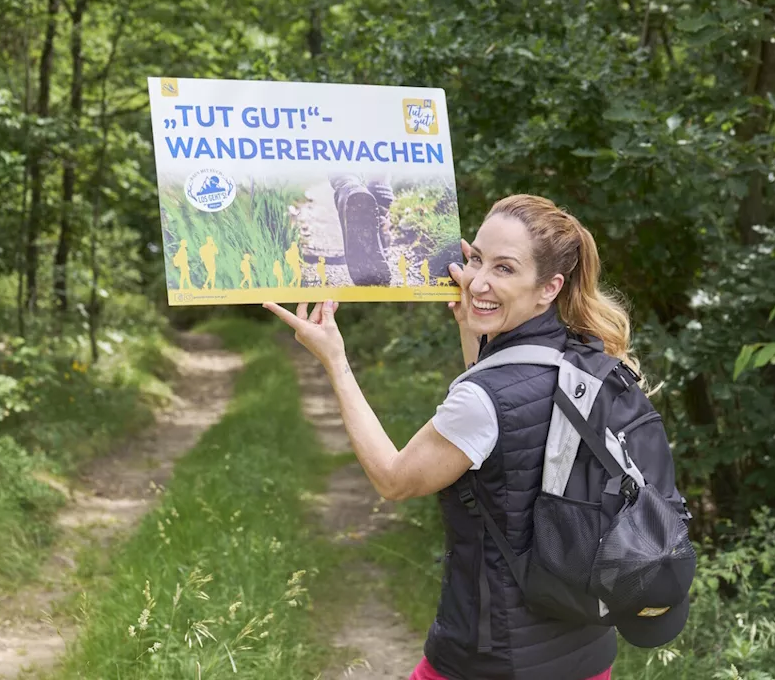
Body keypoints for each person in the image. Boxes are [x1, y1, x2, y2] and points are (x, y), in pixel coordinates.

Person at [265, 194, 641, 680]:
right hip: (584, 652)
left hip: (489, 659)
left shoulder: (485, 399)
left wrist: (334, 361)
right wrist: (475, 327)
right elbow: (511, 445)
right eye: (476, 258)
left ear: (549, 287)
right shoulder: (596, 361)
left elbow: (395, 480)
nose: (479, 281)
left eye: (504, 269)